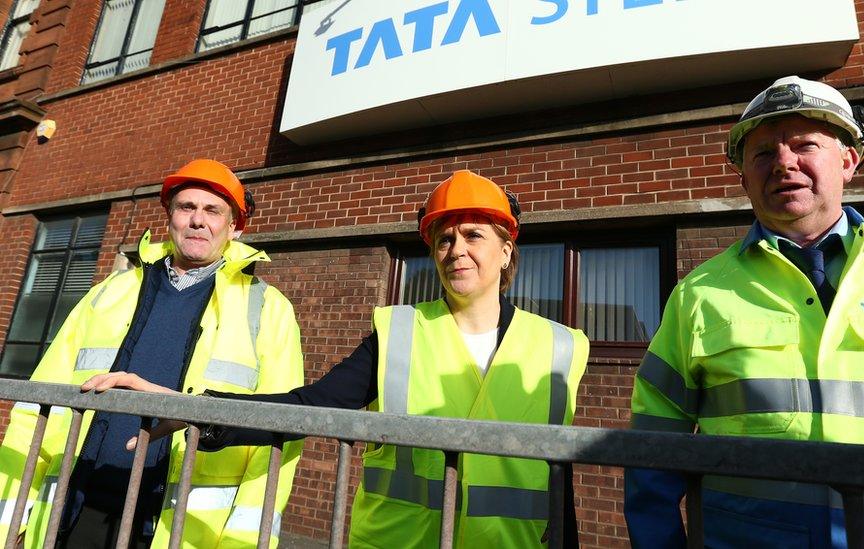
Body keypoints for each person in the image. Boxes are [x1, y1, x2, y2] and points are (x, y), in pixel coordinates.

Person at [85, 169, 590, 548]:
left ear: (506, 250)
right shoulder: (398, 330)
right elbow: (310, 404)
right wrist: (196, 410)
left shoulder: (561, 346)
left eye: (474, 235)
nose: (456, 249)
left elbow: (558, 474)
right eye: (444, 239)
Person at [625, 75, 864, 548]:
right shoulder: (698, 294)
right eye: (764, 152)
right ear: (743, 175)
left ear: (848, 161)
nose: (784, 163)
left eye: (805, 145)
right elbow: (652, 450)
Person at [0, 159, 305, 548]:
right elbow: (37, 407)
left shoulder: (268, 309)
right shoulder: (110, 292)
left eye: (212, 211)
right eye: (186, 207)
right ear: (169, 217)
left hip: (184, 529)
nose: (197, 220)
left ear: (235, 227)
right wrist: (9, 518)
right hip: (76, 508)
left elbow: (279, 433)